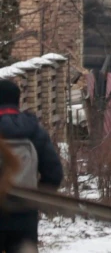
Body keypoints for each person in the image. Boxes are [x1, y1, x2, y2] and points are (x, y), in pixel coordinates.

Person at [0, 79, 64, 251]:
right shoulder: (34, 131)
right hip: (25, 213)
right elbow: (54, 173)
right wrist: (36, 198)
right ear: (18, 100)